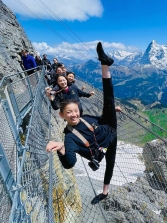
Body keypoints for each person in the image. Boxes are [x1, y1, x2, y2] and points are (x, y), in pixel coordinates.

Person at [46, 42, 117, 204]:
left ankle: (104, 64)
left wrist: (113, 110)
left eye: (75, 110)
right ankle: (105, 193)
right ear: (62, 115)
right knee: (110, 164)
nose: (74, 114)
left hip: (109, 125)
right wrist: (61, 148)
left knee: (109, 99)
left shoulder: (86, 118)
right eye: (69, 112)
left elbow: (101, 112)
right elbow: (70, 162)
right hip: (108, 141)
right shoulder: (70, 137)